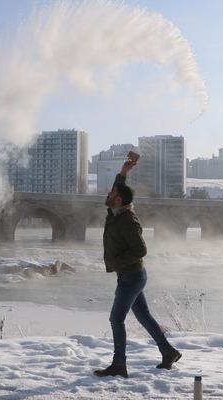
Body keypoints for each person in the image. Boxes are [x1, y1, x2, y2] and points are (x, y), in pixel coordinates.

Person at [93, 157, 181, 378]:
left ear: (118, 200)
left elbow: (141, 249)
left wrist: (117, 262)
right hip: (131, 276)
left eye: (112, 193)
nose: (108, 194)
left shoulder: (127, 221)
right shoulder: (116, 212)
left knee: (116, 319)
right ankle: (168, 352)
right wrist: (123, 171)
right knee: (144, 316)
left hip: (131, 277)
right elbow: (119, 188)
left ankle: (119, 365)